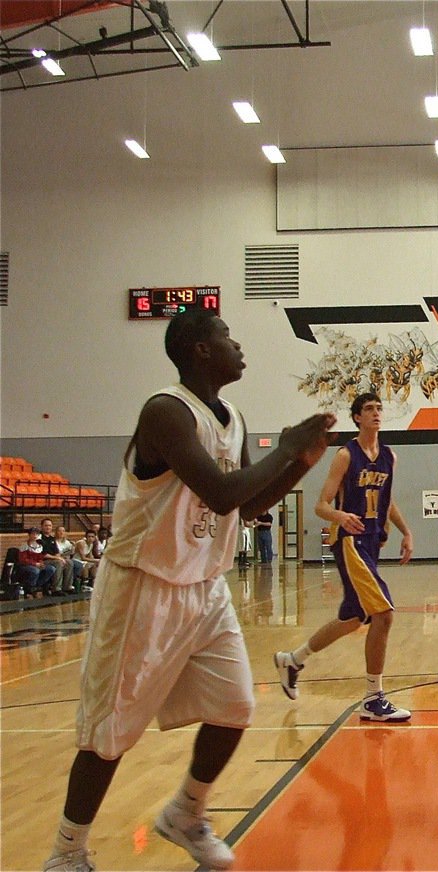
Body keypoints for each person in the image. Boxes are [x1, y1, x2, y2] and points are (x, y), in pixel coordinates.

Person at [43, 309, 335, 872]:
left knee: (235, 706)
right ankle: (66, 853)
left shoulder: (234, 418)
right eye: (227, 336)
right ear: (200, 350)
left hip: (204, 586)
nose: (238, 345)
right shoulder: (165, 412)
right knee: (109, 732)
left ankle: (185, 813)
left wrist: (297, 463)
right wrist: (288, 445)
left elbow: (244, 508)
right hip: (143, 587)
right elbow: (223, 493)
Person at [273, 391, 415, 722]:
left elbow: (387, 501)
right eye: (369, 409)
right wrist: (341, 517)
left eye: (379, 408)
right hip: (350, 541)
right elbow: (321, 505)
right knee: (384, 614)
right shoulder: (345, 456)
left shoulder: (389, 457)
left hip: (370, 543)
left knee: (354, 618)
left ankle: (292, 660)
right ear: (356, 417)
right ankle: (373, 697)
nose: (376, 413)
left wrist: (406, 532)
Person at [16, 527, 57, 596]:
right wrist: (35, 564)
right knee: (35, 571)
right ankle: (30, 588)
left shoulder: (40, 546)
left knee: (51, 569)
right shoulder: (24, 546)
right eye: (33, 534)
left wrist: (41, 563)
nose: (35, 536)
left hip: (36, 564)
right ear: (29, 535)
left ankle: (37, 586)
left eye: (36, 534)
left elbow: (40, 557)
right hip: (25, 565)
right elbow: (23, 560)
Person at [38, 517, 72, 595]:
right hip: (42, 561)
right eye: (46, 525)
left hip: (52, 560)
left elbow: (56, 552)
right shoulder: (39, 538)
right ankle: (56, 589)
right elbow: (44, 554)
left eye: (49, 525)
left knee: (69, 562)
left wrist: (60, 557)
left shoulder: (52, 539)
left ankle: (67, 587)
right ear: (42, 526)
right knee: (58, 563)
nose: (48, 527)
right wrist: (58, 558)